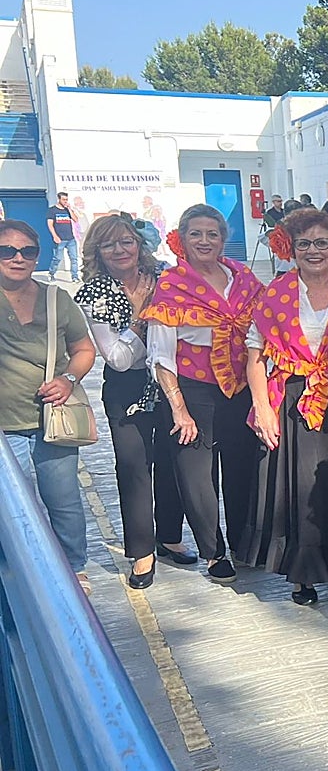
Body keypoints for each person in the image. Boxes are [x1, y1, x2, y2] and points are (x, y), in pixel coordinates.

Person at [242, 210, 328, 605]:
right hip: (292, 398)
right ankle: (303, 574)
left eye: (322, 243)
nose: (313, 251)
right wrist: (262, 409)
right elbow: (255, 355)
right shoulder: (275, 293)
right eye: (304, 244)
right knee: (299, 490)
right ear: (292, 249)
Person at [143, 204, 264, 584]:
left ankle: (245, 544)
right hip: (192, 391)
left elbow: (265, 328)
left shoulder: (242, 277)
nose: (205, 241)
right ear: (182, 238)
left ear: (224, 239)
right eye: (196, 233)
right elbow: (160, 354)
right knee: (198, 476)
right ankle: (214, 553)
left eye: (213, 234)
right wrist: (178, 408)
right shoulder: (172, 284)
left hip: (240, 388)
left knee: (244, 469)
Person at [74, 214, 191, 589]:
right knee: (134, 467)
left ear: (139, 243)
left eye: (126, 241)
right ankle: (141, 552)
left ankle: (170, 536)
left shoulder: (164, 276)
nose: (120, 250)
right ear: (97, 251)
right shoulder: (96, 292)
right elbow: (119, 358)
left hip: (174, 380)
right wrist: (146, 323)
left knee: (174, 460)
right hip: (128, 388)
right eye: (109, 244)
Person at [0, 220, 96, 592]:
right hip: (6, 425)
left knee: (64, 500)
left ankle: (74, 566)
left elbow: (84, 349)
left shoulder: (56, 299)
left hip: (52, 420)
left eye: (28, 251)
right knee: (12, 507)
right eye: (7, 250)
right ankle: (20, 568)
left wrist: (68, 379)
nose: (18, 258)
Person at [46, 191, 80, 283]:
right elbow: (50, 224)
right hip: (60, 239)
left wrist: (69, 209)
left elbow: (76, 220)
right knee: (57, 258)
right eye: (64, 199)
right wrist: (55, 236)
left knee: (74, 259)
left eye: (66, 200)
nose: (65, 201)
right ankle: (51, 273)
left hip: (71, 239)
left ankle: (75, 277)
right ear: (59, 199)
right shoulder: (52, 210)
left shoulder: (67, 210)